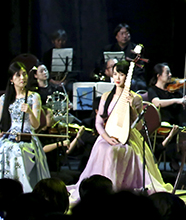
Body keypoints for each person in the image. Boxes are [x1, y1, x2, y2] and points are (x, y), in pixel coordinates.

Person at [66, 60, 173, 202]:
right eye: (115, 74)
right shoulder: (106, 96)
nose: (117, 78)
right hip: (107, 136)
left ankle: (119, 192)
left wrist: (133, 109)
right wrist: (106, 138)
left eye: (121, 75)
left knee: (119, 151)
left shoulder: (136, 98)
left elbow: (140, 126)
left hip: (128, 136)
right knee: (106, 149)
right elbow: (98, 123)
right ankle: (104, 190)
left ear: (127, 77)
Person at [0, 63, 51, 202]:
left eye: (24, 74)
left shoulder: (34, 97)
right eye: (18, 75)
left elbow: (36, 125)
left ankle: (22, 191)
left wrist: (30, 112)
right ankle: (3, 192)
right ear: (11, 79)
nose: (22, 78)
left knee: (19, 150)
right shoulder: (4, 99)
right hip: (10, 135)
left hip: (27, 136)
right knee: (4, 148)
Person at [102, 23, 146, 90]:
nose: (125, 36)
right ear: (116, 36)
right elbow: (102, 64)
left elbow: (140, 67)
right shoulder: (109, 49)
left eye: (127, 33)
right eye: (122, 34)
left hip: (132, 77)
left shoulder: (136, 49)